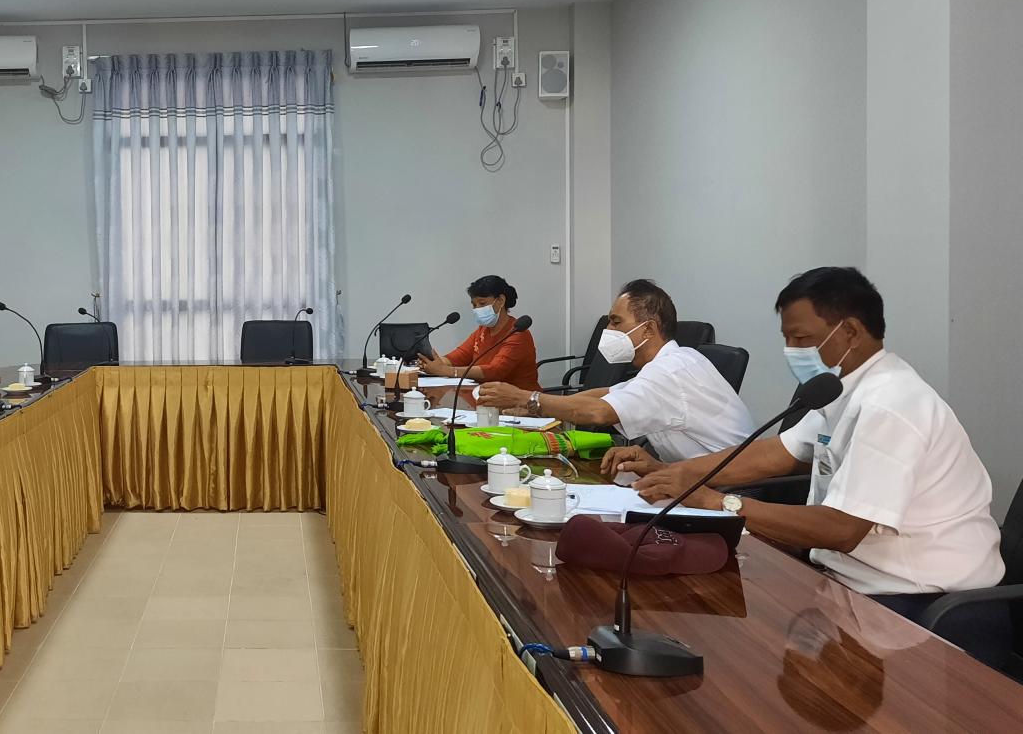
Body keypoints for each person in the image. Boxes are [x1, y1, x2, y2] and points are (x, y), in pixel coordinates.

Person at [612, 268, 1005, 643]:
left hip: (920, 606)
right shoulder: (842, 388)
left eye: (801, 338)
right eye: (787, 338)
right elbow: (774, 454)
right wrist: (675, 472)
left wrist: (720, 502)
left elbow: (843, 530)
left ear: (851, 331)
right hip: (850, 583)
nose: (791, 351)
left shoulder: (891, 404)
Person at [476, 279, 753, 461]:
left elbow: (599, 412)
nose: (607, 330)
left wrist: (526, 398)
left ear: (648, 329)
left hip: (728, 492)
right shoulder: (668, 364)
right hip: (691, 479)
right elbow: (603, 395)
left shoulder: (671, 370)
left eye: (616, 322)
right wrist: (536, 407)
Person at [415, 275, 538, 388]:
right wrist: (432, 363)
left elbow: (495, 371)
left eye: (482, 303)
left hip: (519, 400)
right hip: (485, 395)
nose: (477, 309)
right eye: (474, 305)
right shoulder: (483, 331)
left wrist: (446, 371)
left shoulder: (518, 333)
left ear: (500, 300)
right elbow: (458, 357)